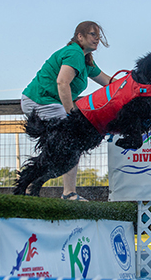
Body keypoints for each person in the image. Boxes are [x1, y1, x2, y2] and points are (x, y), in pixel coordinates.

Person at [21, 21, 115, 201]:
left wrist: (132, 82)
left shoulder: (86, 59)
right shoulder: (74, 53)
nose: (97, 39)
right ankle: (67, 192)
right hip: (40, 101)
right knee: (71, 139)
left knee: (65, 145)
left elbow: (107, 82)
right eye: (93, 34)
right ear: (80, 36)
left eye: (98, 35)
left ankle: (38, 185)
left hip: (48, 102)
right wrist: (71, 113)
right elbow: (62, 83)